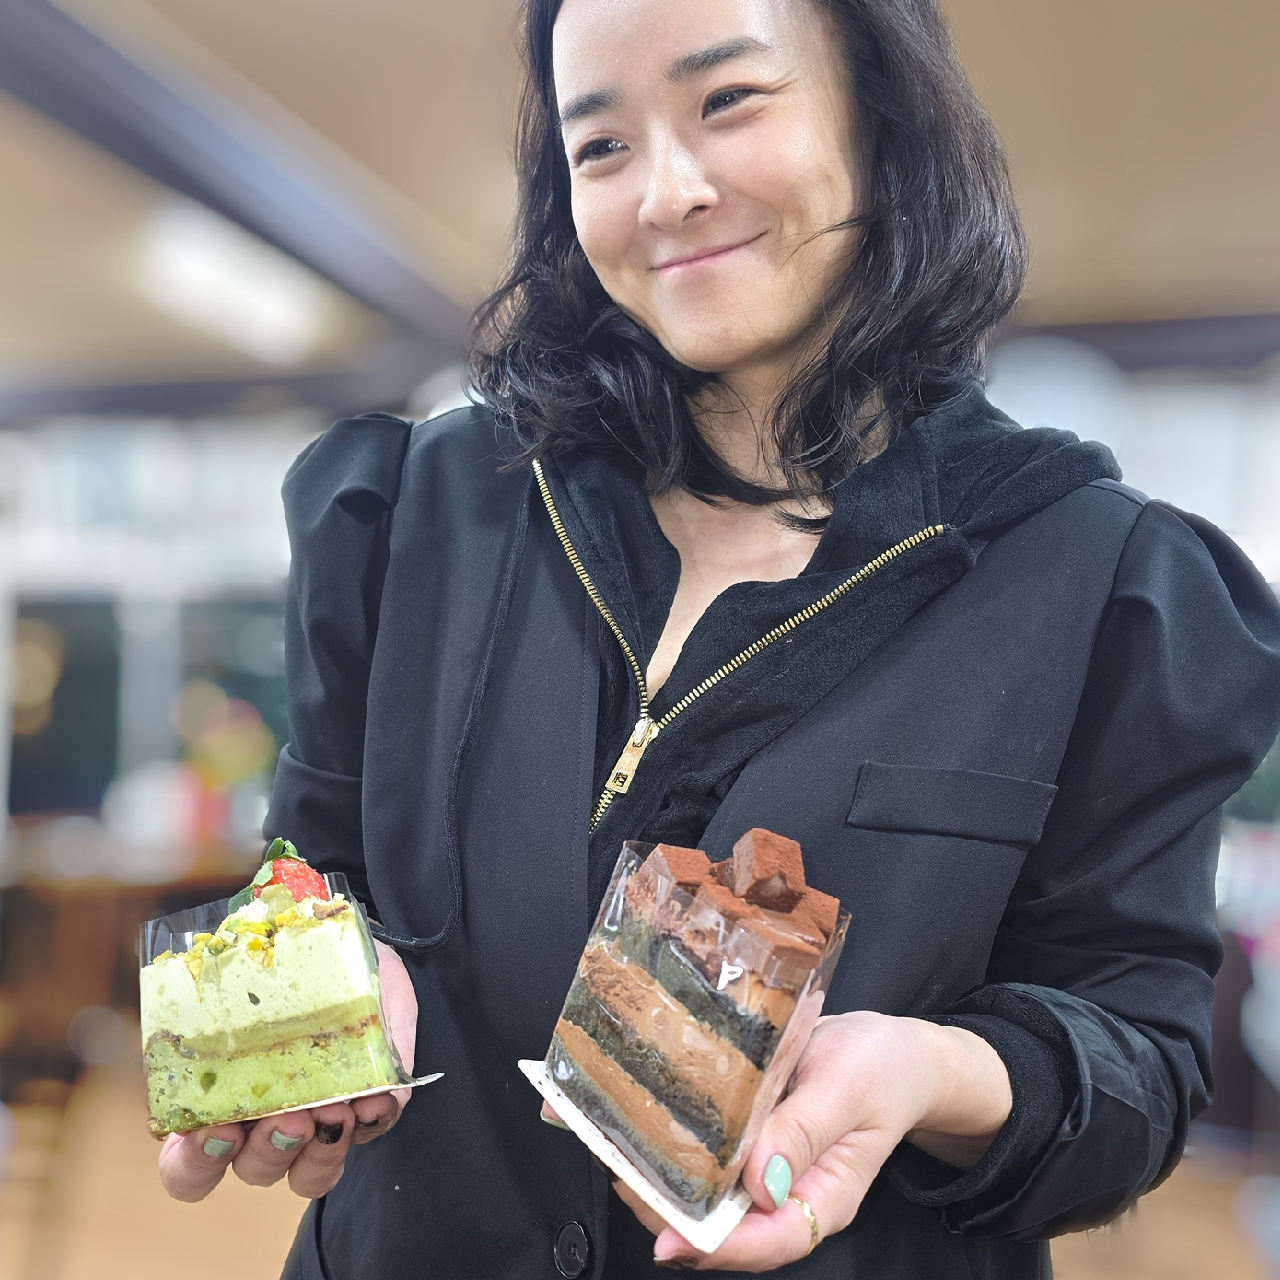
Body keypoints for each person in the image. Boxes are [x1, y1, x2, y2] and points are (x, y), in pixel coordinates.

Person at [158, 0, 1280, 1275]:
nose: (666, 192)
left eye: (726, 101)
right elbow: (318, 866)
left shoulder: (1093, 578)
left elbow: (1135, 1062)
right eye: (600, 145)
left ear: (880, 115)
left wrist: (933, 1069)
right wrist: (330, 975)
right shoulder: (421, 507)